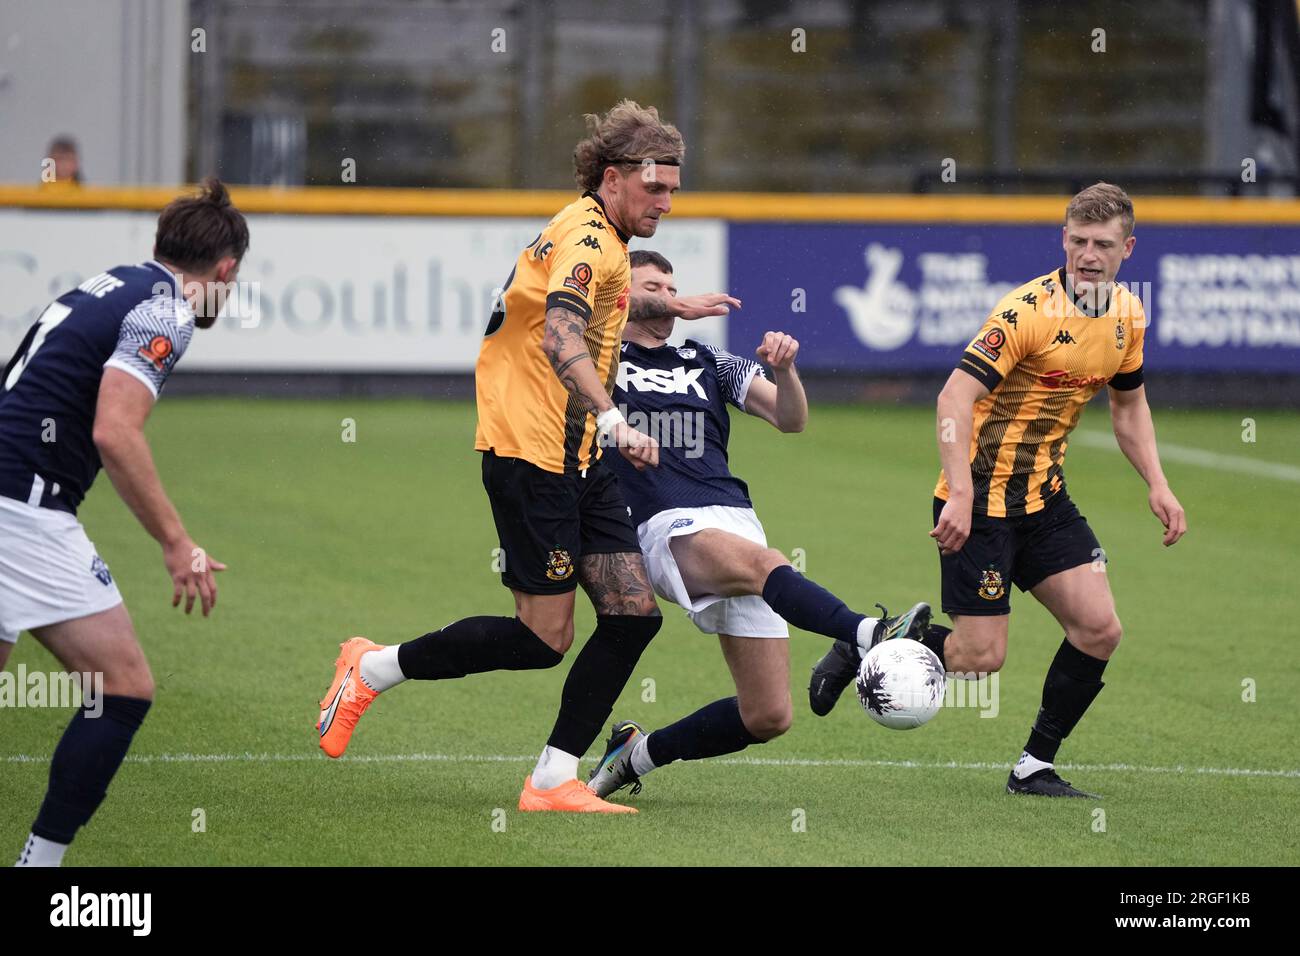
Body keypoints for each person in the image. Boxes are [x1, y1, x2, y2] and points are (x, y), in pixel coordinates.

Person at [314, 101, 740, 813]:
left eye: (672, 189)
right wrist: (612, 419)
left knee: (633, 615)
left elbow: (592, 307)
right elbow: (560, 334)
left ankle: (551, 781)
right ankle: (372, 667)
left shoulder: (594, 233)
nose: (666, 203)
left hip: (575, 459)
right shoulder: (587, 241)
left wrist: (667, 309)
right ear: (612, 177)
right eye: (654, 188)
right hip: (531, 455)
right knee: (544, 639)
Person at [810, 182, 1187, 798]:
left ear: (1128, 249)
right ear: (1064, 239)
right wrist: (958, 493)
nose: (1089, 254)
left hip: (1045, 500)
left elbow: (1130, 408)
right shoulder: (1024, 313)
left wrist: (1159, 485)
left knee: (1100, 629)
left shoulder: (1128, 316)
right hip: (980, 501)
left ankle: (1033, 767)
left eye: (1103, 244)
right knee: (981, 656)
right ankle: (870, 642)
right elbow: (954, 396)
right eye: (1079, 240)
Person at [585, 250, 930, 800]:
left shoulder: (707, 358)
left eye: (673, 288)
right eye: (654, 288)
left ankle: (635, 755)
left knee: (767, 715)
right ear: (625, 294)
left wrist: (785, 370)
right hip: (662, 524)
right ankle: (868, 634)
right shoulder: (600, 359)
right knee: (769, 565)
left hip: (733, 517)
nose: (670, 299)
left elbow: (791, 420)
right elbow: (579, 323)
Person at [4, 178, 245, 865]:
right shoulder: (166, 311)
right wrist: (177, 542)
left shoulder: (112, 282)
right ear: (225, 272)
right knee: (123, 686)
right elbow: (116, 433)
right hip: (21, 509)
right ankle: (40, 866)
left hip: (12, 495)